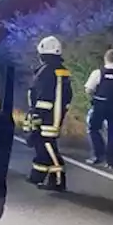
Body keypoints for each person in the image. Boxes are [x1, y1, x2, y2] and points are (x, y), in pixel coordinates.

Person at [25, 36, 72, 191]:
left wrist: (36, 116)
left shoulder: (47, 71)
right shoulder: (59, 70)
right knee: (42, 144)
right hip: (54, 114)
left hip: (48, 117)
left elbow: (42, 96)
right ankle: (38, 176)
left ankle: (58, 180)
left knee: (47, 144)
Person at [84, 48, 113, 169]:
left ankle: (98, 155)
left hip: (100, 105)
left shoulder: (98, 72)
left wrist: (95, 96)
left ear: (105, 59)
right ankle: (111, 162)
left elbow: (88, 89)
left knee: (93, 128)